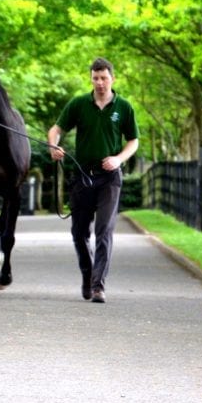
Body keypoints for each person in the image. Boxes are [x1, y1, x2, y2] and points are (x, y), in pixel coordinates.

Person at [47, 57, 139, 303]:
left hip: (109, 178)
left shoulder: (124, 107)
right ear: (91, 79)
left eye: (104, 78)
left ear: (112, 78)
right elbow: (56, 129)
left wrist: (119, 159)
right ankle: (87, 275)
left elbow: (134, 141)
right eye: (96, 78)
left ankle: (98, 286)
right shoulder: (79, 104)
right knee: (79, 232)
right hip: (82, 177)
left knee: (104, 231)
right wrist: (53, 146)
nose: (100, 83)